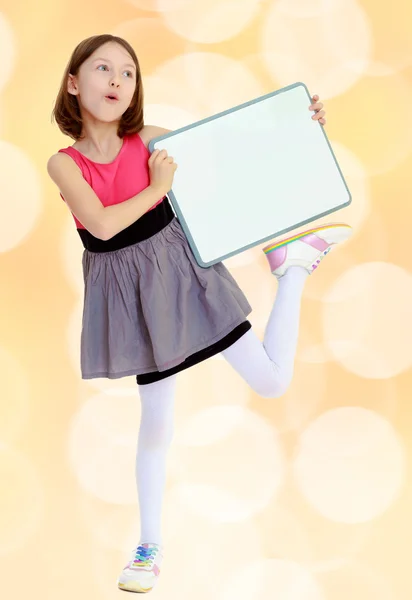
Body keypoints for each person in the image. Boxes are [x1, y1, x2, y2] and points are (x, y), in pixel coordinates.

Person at [47, 33, 352, 594]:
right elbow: (103, 224)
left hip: (184, 275)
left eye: (129, 73)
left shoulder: (154, 141)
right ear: (73, 82)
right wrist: (160, 185)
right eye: (102, 69)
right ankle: (149, 547)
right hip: (133, 298)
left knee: (273, 380)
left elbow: (238, 145)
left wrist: (301, 121)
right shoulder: (63, 163)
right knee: (156, 422)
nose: (117, 81)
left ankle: (294, 269)